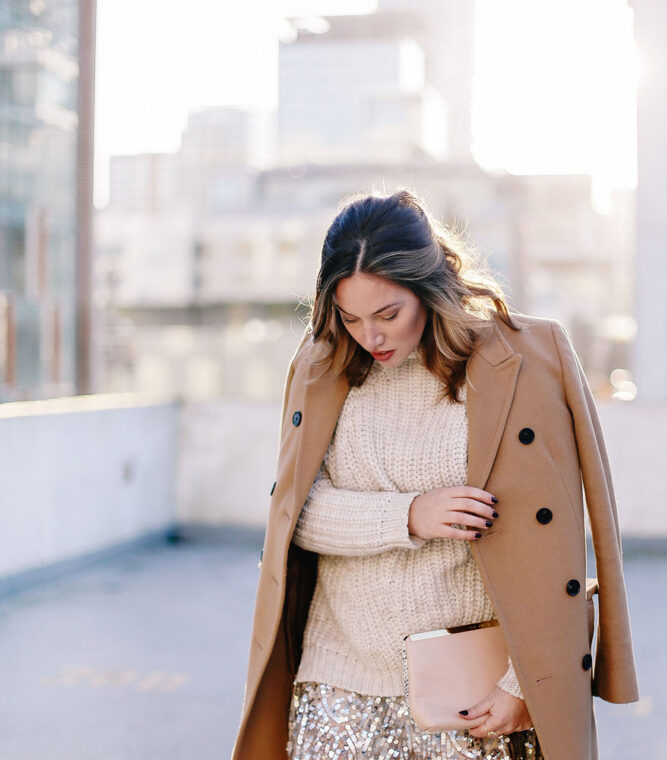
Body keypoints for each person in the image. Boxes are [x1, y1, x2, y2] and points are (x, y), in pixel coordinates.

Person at [229, 188, 639, 760]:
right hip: (337, 683)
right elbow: (296, 514)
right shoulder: (322, 367)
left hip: (472, 687)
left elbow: (561, 535)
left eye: (388, 314)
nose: (370, 337)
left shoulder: (527, 358)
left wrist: (527, 683)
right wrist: (411, 515)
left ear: (429, 287)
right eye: (350, 317)